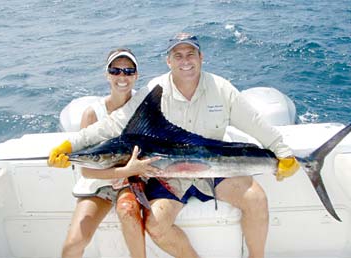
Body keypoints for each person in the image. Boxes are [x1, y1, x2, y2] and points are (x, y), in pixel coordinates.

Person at [48, 33, 299, 258]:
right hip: (169, 175)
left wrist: (283, 152)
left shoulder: (221, 88)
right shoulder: (154, 89)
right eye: (177, 55)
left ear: (201, 57)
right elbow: (112, 125)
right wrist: (70, 144)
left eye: (191, 54)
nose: (185, 60)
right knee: (156, 224)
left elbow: (256, 124)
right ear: (169, 61)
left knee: (256, 198)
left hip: (214, 168)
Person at [59, 48, 159, 258]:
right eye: (115, 70)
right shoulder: (93, 114)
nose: (122, 76)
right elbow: (87, 171)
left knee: (128, 210)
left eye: (128, 71)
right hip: (100, 183)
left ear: (136, 75)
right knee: (72, 246)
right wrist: (124, 170)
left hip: (134, 181)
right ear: (107, 74)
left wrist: (132, 172)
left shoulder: (145, 108)